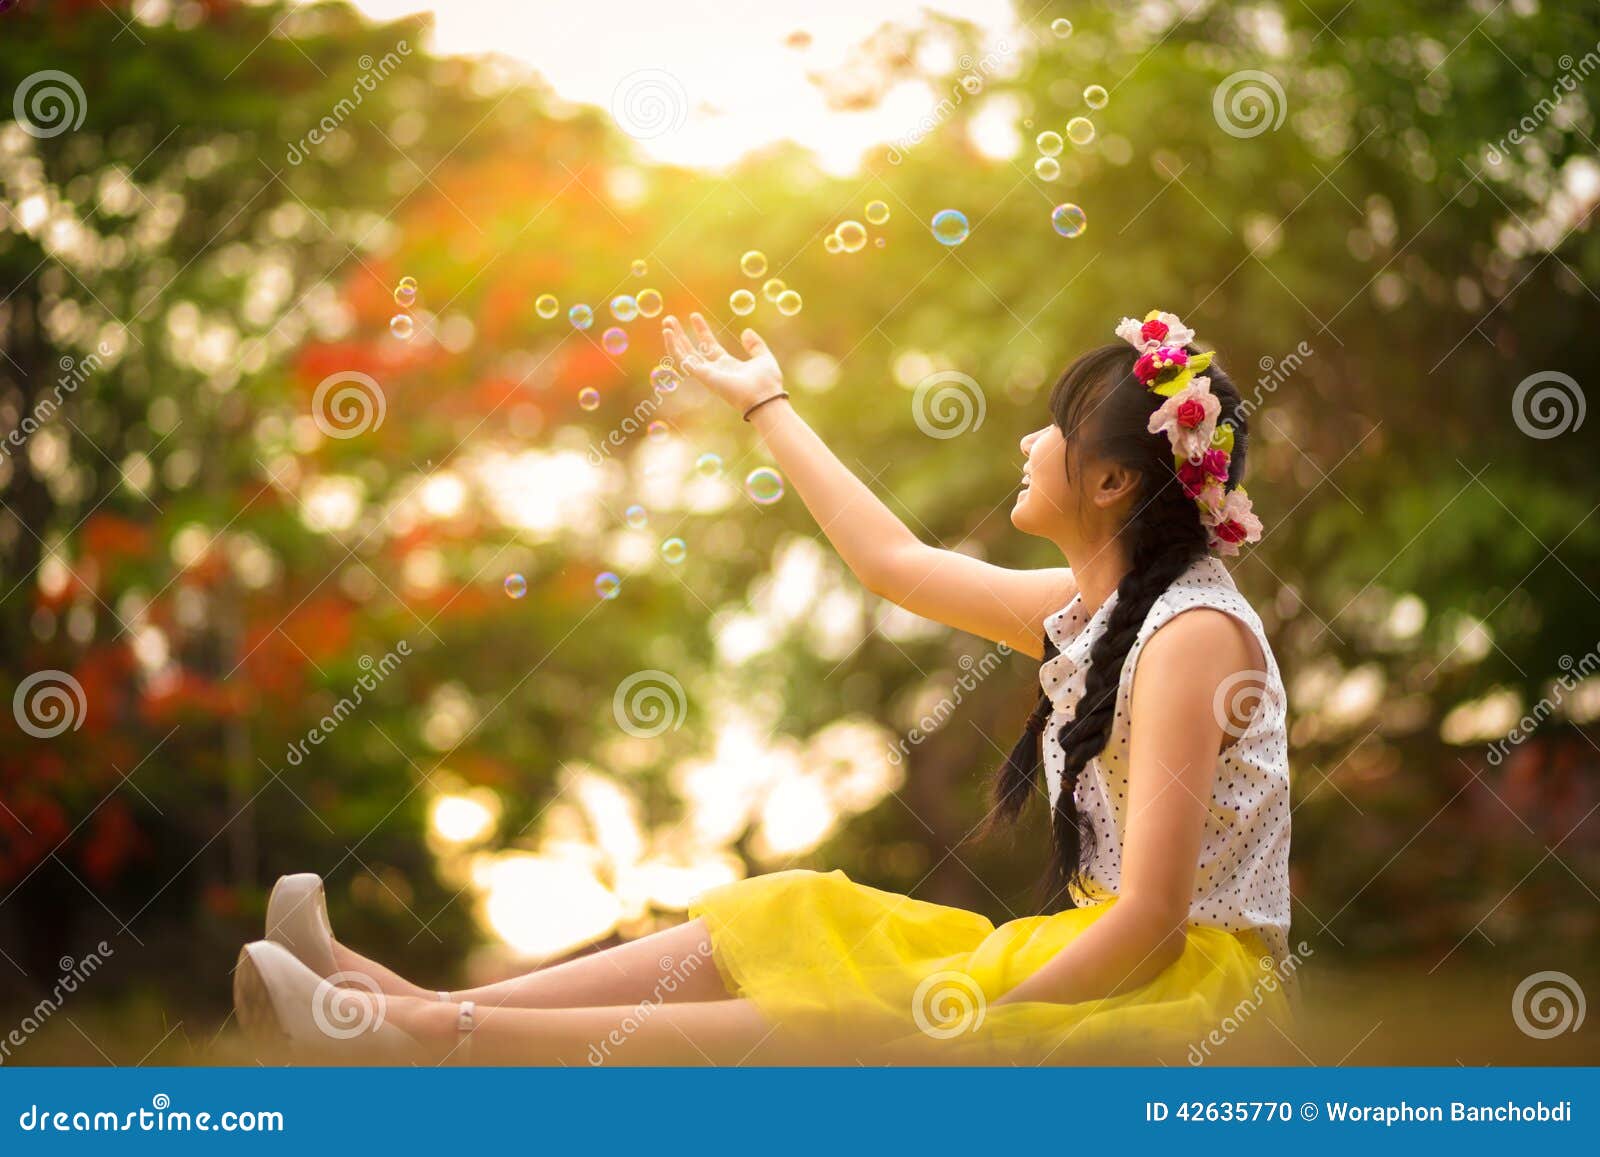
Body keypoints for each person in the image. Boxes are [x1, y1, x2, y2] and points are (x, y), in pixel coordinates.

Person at [233, 308, 1292, 1065]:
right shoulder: (1101, 612)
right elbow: (892, 561)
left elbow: (1152, 916)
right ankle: (410, 1009)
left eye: (1052, 426)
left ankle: (419, 1037)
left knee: (863, 1013)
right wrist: (766, 404)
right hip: (1099, 949)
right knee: (791, 917)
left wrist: (974, 1003)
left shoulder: (1190, 631)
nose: (1026, 440)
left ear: (1111, 480)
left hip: (1180, 989)